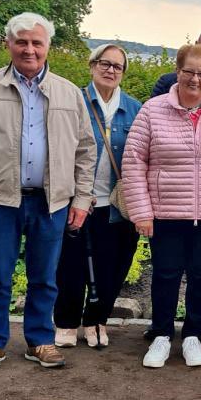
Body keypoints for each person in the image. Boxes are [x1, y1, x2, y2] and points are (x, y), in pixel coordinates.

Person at [0, 12, 95, 373]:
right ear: (9, 44)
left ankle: (40, 340)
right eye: (21, 42)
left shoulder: (68, 92)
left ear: (48, 47)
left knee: (44, 276)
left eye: (36, 43)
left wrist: (82, 198)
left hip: (52, 201)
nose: (29, 50)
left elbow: (86, 150)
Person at [121, 44, 201, 369]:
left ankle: (193, 334)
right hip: (165, 212)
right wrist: (141, 212)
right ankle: (163, 335)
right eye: (189, 71)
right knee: (165, 274)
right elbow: (134, 161)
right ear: (177, 72)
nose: (195, 79)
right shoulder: (153, 110)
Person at [53, 44, 143, 350]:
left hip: (117, 204)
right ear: (92, 66)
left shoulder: (135, 108)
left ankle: (96, 320)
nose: (111, 70)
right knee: (70, 266)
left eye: (118, 66)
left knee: (112, 266)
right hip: (76, 199)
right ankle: (65, 322)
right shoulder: (72, 101)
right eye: (105, 63)